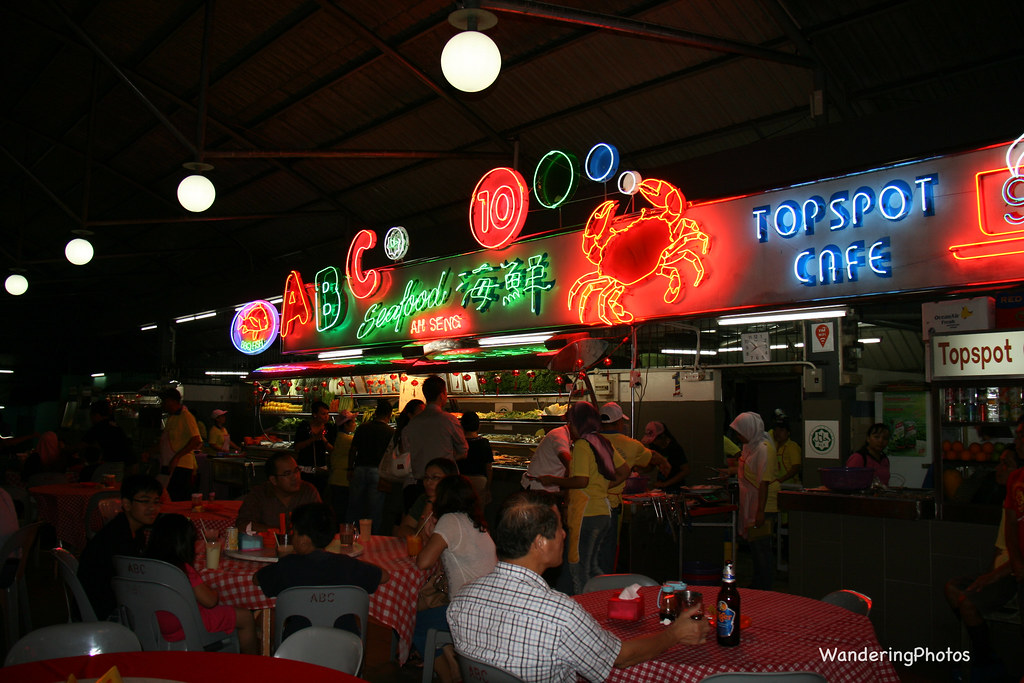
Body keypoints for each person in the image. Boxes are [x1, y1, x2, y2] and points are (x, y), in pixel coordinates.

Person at [448, 490, 709, 683]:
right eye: (560, 527)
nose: (564, 534)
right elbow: (621, 657)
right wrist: (675, 633)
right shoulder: (558, 613)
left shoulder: (462, 600)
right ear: (540, 542)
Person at [254, 502, 389, 641]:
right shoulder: (345, 565)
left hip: (296, 647)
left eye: (294, 532)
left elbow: (257, 579)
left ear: (304, 540)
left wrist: (283, 560)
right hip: (345, 648)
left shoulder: (287, 566)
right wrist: (355, 562)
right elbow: (384, 576)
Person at [413, 475, 497, 681]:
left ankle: (448, 675)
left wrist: (433, 533)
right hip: (490, 606)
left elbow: (423, 561)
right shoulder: (476, 522)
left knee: (413, 624)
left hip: (469, 611)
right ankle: (452, 660)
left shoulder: (450, 520)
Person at [946, 447, 1019, 677]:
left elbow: (1018, 557)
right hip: (1001, 572)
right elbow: (1000, 549)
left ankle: (987, 662)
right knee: (951, 588)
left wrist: (992, 577)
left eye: (1006, 464)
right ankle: (985, 652)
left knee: (967, 601)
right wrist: (987, 575)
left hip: (1013, 575)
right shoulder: (1008, 503)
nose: (998, 468)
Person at [540, 402, 627, 594]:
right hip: (604, 512)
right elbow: (623, 471)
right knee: (594, 565)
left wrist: (552, 480)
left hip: (586, 514)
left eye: (571, 423)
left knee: (578, 567)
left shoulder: (581, 445)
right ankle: (604, 599)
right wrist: (603, 486)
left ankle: (585, 607)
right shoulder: (603, 442)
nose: (570, 428)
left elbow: (581, 481)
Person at [146, 514, 258, 654]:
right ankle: (252, 663)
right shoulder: (182, 570)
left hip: (153, 622)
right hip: (184, 623)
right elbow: (209, 601)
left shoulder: (148, 565)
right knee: (245, 617)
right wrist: (214, 592)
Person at [78, 474, 163, 620]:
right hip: (104, 612)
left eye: (156, 502)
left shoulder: (130, 530)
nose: (152, 508)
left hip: (105, 603)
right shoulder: (118, 537)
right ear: (127, 504)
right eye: (145, 501)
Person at [598, 402, 669, 573]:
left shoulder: (589, 441)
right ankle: (604, 589)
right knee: (608, 552)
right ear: (619, 423)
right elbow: (651, 459)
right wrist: (664, 463)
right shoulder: (631, 444)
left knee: (589, 552)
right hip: (612, 505)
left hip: (586, 504)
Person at [731, 412, 773, 590]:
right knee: (755, 548)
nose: (738, 436)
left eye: (740, 432)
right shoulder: (750, 446)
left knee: (762, 547)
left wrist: (760, 510)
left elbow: (764, 482)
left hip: (764, 504)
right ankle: (758, 582)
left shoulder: (763, 449)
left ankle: (764, 586)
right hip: (753, 502)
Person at [402, 375, 467, 480]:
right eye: (445, 392)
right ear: (442, 395)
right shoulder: (449, 420)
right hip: (445, 480)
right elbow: (463, 451)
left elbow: (406, 450)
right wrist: (446, 459)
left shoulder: (412, 424)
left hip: (420, 480)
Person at [235, 453, 321, 532]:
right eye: (287, 474)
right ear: (273, 480)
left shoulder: (308, 491)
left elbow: (322, 523)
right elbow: (242, 524)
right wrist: (278, 532)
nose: (295, 477)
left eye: (296, 470)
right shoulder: (259, 494)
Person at [347, 399, 394, 531]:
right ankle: (373, 536)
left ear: (376, 413)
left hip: (359, 469)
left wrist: (350, 468)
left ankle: (350, 533)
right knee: (375, 509)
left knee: (355, 506)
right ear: (389, 415)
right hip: (378, 473)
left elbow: (353, 449)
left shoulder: (363, 427)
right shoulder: (390, 432)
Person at [381, 400, 425, 533]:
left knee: (399, 515)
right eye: (421, 413)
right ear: (410, 415)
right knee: (406, 514)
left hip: (400, 479)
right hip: (408, 479)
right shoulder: (410, 431)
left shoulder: (401, 430)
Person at [395, 458, 459, 540]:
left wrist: (430, 503)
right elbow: (402, 530)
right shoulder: (424, 499)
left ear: (450, 480)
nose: (428, 482)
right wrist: (430, 502)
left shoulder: (456, 503)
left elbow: (424, 537)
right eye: (426, 477)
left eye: (435, 478)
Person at [155, 388, 201, 501]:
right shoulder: (172, 417)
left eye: (164, 401)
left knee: (177, 500)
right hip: (169, 464)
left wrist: (177, 457)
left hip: (181, 467)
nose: (162, 404)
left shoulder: (186, 416)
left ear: (171, 401)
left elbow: (196, 440)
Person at [80, 399, 135, 477]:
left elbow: (82, 445)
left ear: (96, 415)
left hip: (113, 465)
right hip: (126, 464)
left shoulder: (99, 427)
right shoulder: (115, 426)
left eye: (91, 415)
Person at [293, 400, 336, 495]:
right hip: (304, 467)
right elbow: (297, 446)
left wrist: (323, 439)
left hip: (321, 468)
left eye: (327, 413)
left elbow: (332, 449)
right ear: (315, 414)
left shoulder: (329, 428)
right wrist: (313, 439)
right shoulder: (304, 427)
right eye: (323, 414)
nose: (326, 416)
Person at [521, 422, 571, 494]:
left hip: (546, 486)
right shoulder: (559, 435)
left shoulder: (563, 434)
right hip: (540, 488)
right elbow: (569, 463)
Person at [640, 421, 689, 491]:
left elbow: (686, 470)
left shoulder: (675, 448)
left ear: (662, 436)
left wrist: (665, 484)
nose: (654, 443)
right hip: (661, 488)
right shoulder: (654, 447)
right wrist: (639, 471)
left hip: (676, 488)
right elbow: (651, 466)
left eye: (655, 440)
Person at [458, 411, 493, 505]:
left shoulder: (459, 443)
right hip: (480, 482)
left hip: (461, 481)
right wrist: (488, 488)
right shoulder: (484, 443)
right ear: (478, 426)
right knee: (478, 512)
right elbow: (488, 468)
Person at [328, 409, 357, 524]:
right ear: (345, 425)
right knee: (343, 513)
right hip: (343, 480)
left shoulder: (338, 437)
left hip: (335, 478)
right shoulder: (348, 440)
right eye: (353, 422)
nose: (355, 424)